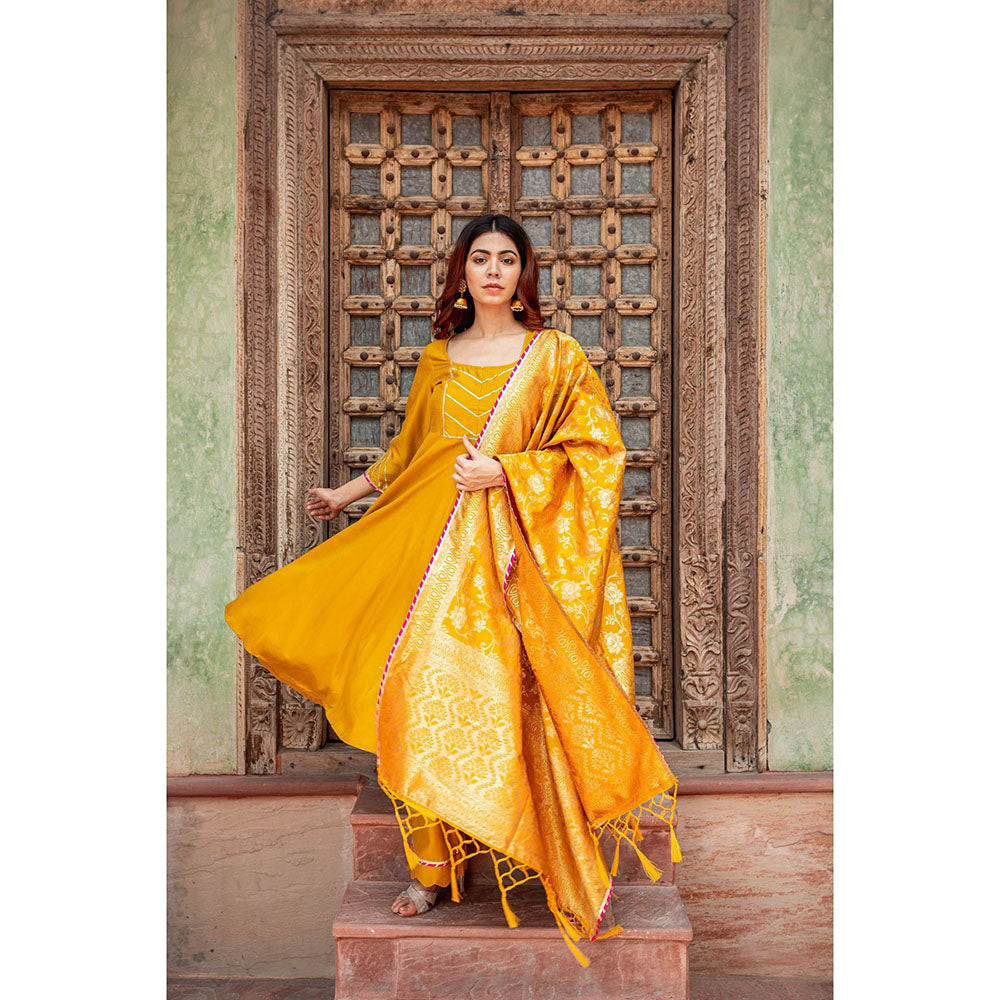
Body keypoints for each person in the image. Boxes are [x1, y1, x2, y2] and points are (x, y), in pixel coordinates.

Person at [224, 213, 680, 967]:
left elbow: (599, 454)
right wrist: (344, 496)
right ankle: (431, 871)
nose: (493, 271)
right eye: (480, 259)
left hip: (505, 566)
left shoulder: (554, 357)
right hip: (424, 555)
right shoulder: (439, 358)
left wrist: (508, 473)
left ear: (524, 273)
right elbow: (411, 455)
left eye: (507, 259)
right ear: (462, 274)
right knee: (409, 701)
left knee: (504, 704)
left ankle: (525, 838)